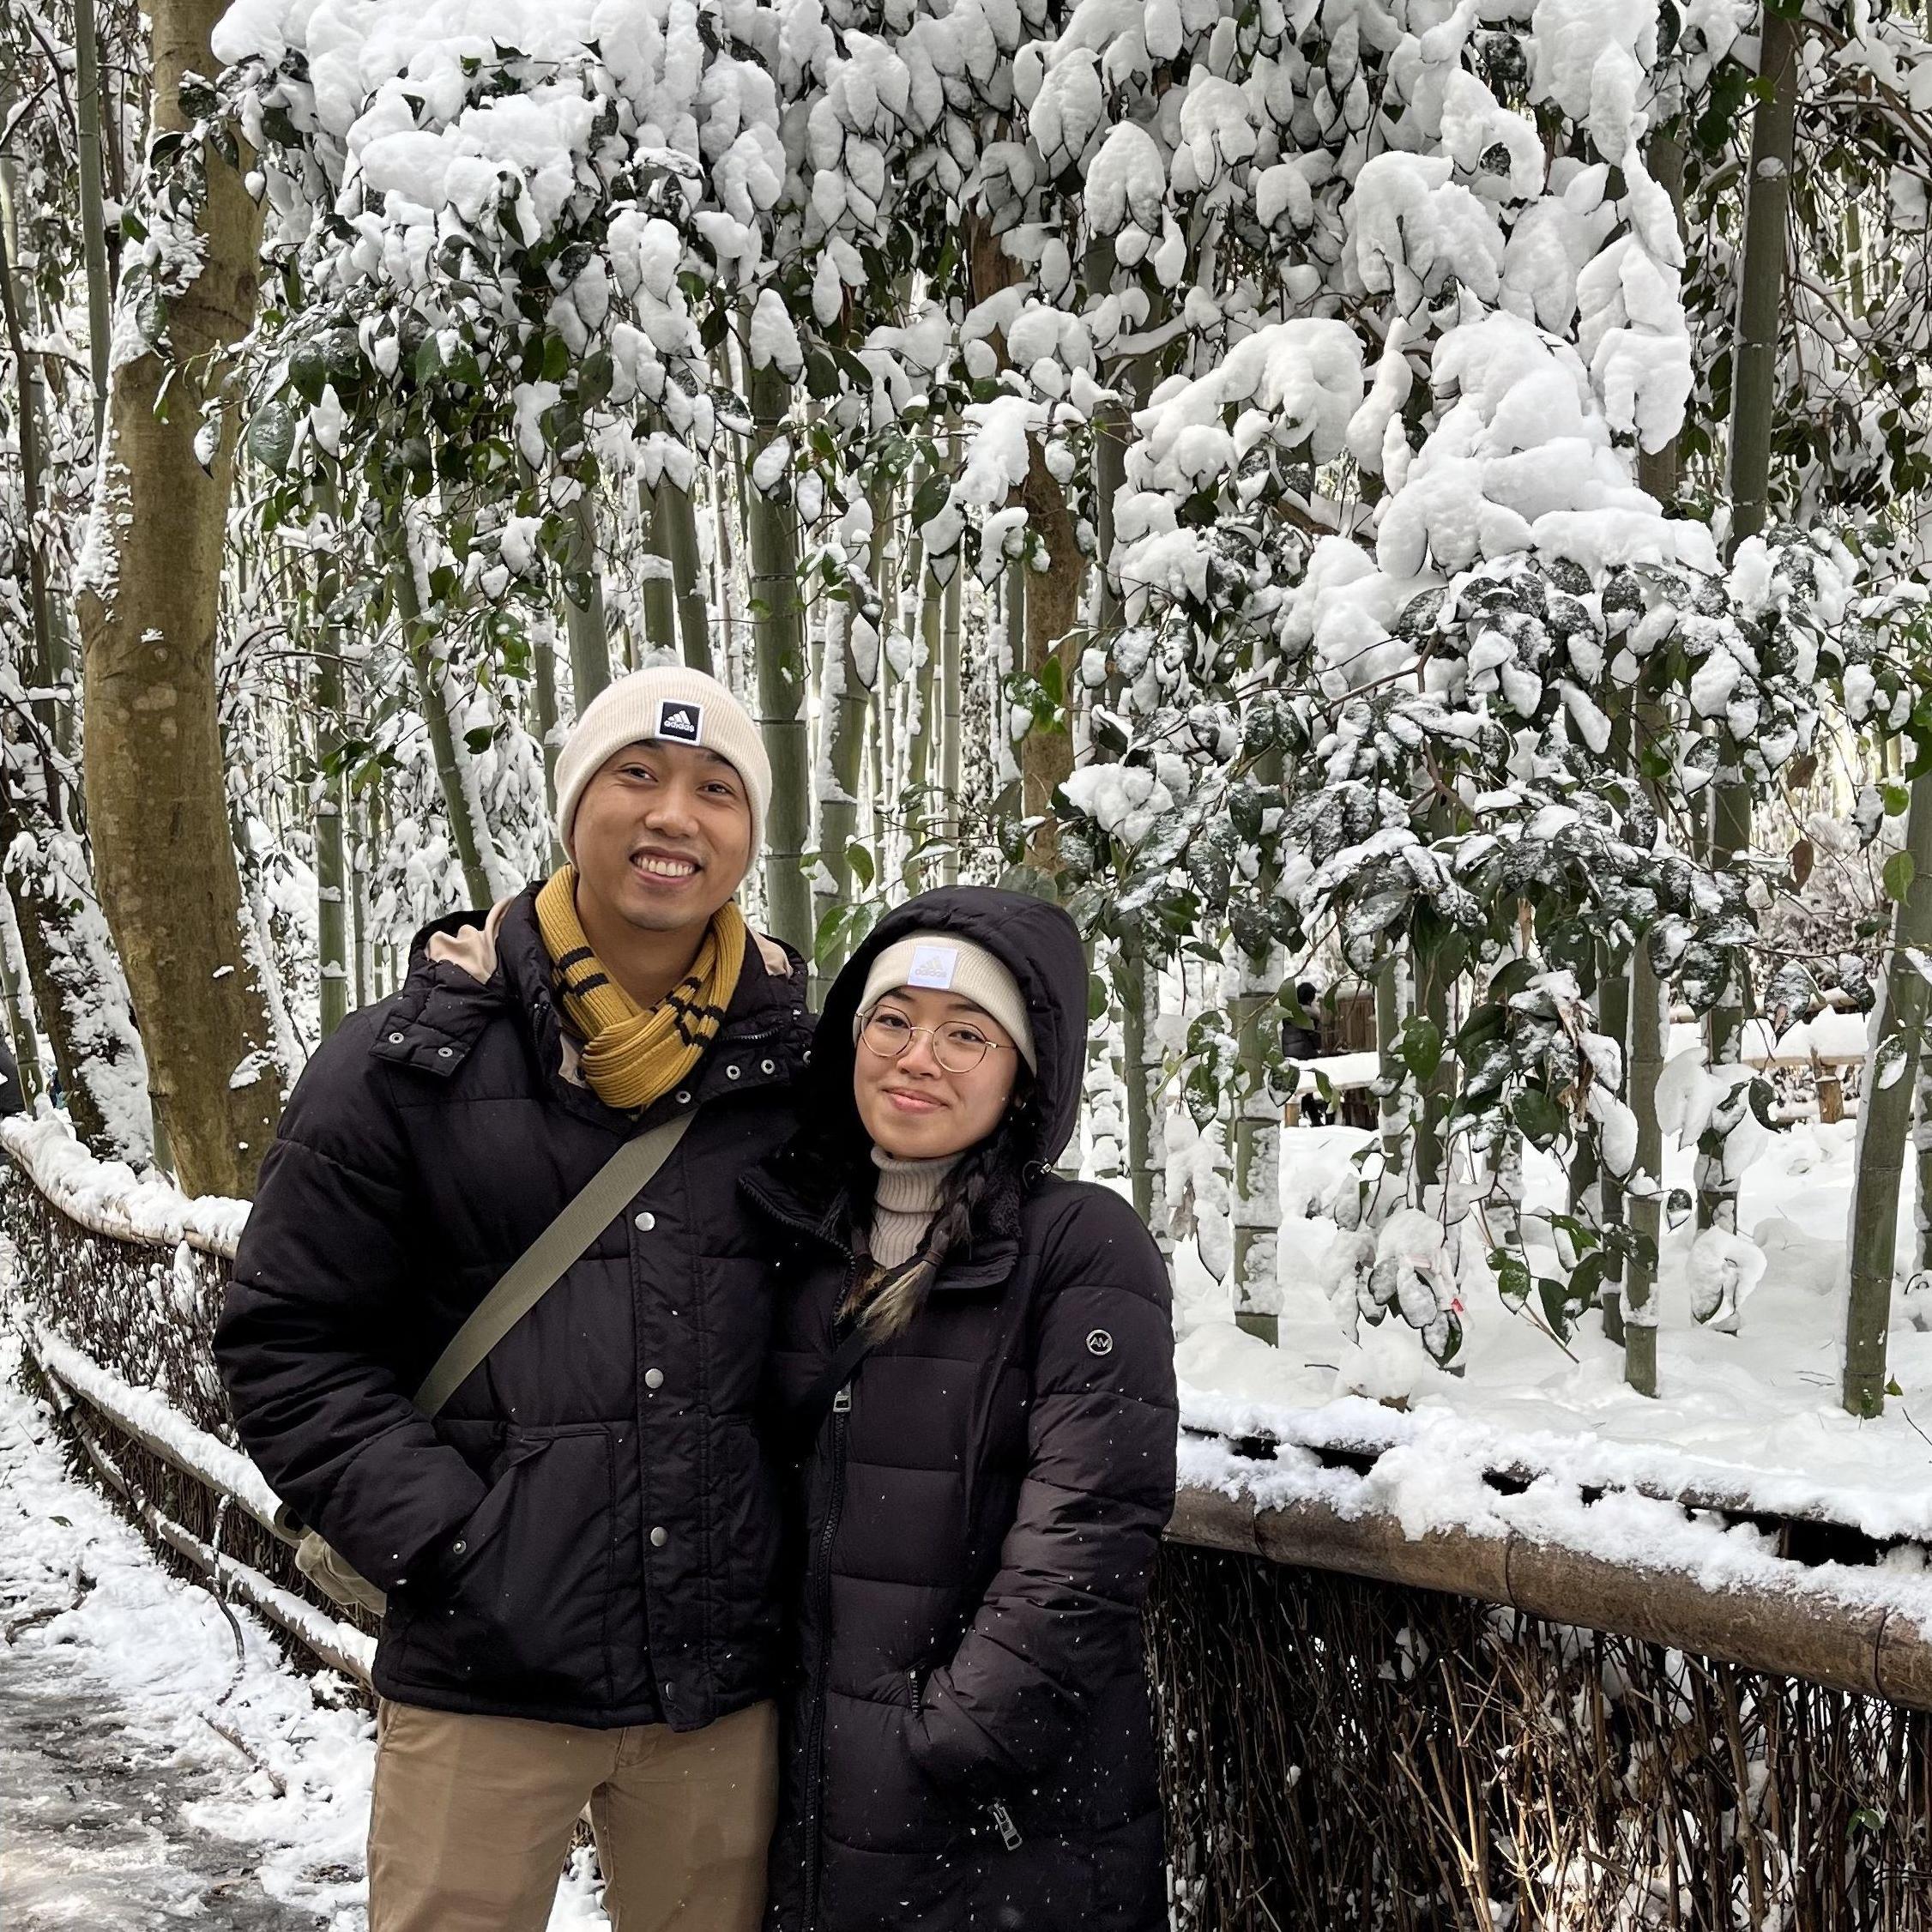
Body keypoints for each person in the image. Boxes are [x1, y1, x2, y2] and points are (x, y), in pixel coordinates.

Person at [216, 666, 811, 1932]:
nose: (674, 815)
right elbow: (288, 1339)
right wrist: (455, 1544)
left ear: (749, 833)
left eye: (716, 789)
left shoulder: (795, 1081)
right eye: (636, 774)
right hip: (483, 1668)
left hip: (718, 1681)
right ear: (574, 804)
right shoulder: (404, 1064)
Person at [743, 888, 1178, 1932]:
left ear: (1022, 1072)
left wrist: (960, 1728)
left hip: (1000, 1806)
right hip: (812, 1782)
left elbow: (1091, 1518)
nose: (916, 1057)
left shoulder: (1078, 1244)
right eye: (891, 1020)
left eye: (965, 1034)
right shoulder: (799, 1241)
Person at [1281, 981, 1327, 1126]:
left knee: (1304, 1089)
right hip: (1305, 1055)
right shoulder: (1310, 1015)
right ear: (1309, 999)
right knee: (1316, 1080)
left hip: (1289, 1054)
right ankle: (1316, 1116)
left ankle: (1312, 1115)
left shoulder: (1288, 1014)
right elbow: (1316, 1040)